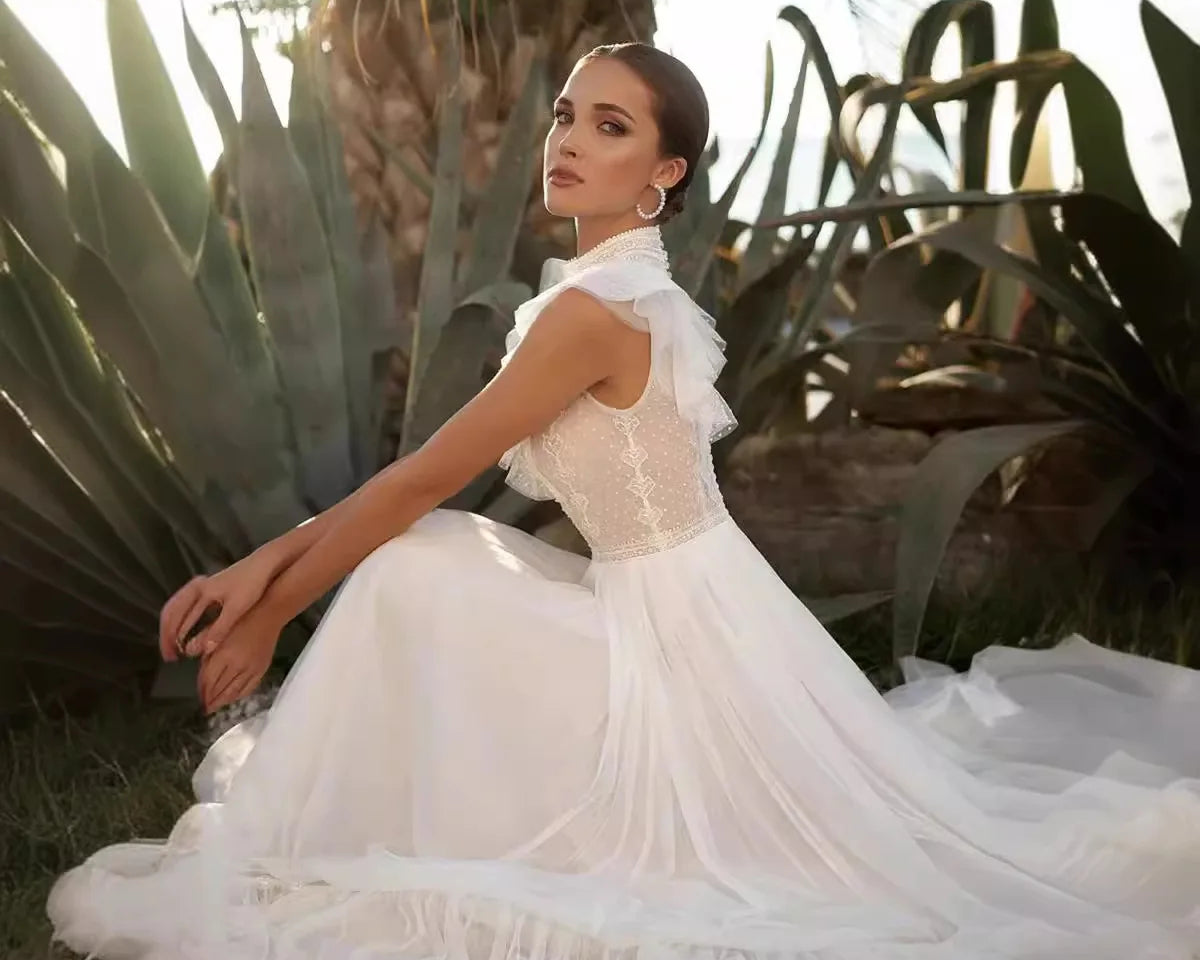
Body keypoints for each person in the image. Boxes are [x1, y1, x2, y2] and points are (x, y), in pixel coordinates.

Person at [46, 41, 1200, 960]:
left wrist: (262, 588)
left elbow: (419, 476)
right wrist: (268, 590)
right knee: (433, 556)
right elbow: (429, 484)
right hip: (693, 604)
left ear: (664, 174)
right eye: (565, 115)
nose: (568, 142)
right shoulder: (623, 289)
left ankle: (363, 801)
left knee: (422, 556)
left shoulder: (590, 314)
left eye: (611, 127)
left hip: (673, 644)